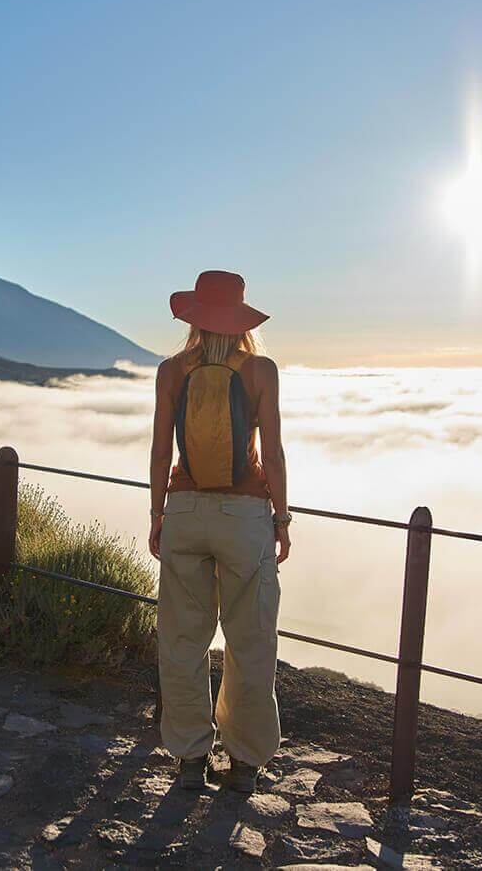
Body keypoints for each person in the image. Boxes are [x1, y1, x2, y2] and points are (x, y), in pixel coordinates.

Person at [148, 269, 291, 793]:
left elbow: (162, 451)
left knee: (182, 642)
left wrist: (157, 513)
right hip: (244, 517)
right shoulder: (261, 371)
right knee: (250, 642)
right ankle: (245, 763)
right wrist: (282, 518)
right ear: (240, 319)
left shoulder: (170, 372)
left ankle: (189, 759)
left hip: (184, 511)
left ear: (195, 317)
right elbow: (271, 452)